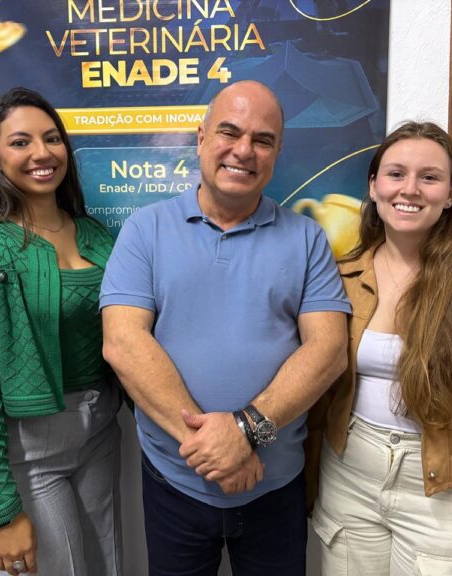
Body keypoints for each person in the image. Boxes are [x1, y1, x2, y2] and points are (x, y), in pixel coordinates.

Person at [100, 80, 351, 575]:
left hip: (274, 488)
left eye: (263, 140)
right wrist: (218, 449)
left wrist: (244, 431)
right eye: (230, 132)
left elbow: (329, 350)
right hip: (175, 485)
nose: (244, 150)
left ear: (277, 153)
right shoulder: (145, 229)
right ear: (201, 138)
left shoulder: (306, 238)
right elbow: (123, 343)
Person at [308, 121, 452, 576]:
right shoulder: (339, 275)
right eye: (396, 174)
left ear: (450, 194)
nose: (410, 189)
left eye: (429, 177)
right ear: (374, 186)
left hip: (442, 496)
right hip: (349, 477)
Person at [0, 87, 122, 576]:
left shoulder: (95, 234)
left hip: (102, 430)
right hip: (31, 447)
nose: (42, 153)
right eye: (21, 142)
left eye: (52, 138)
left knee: (107, 565)